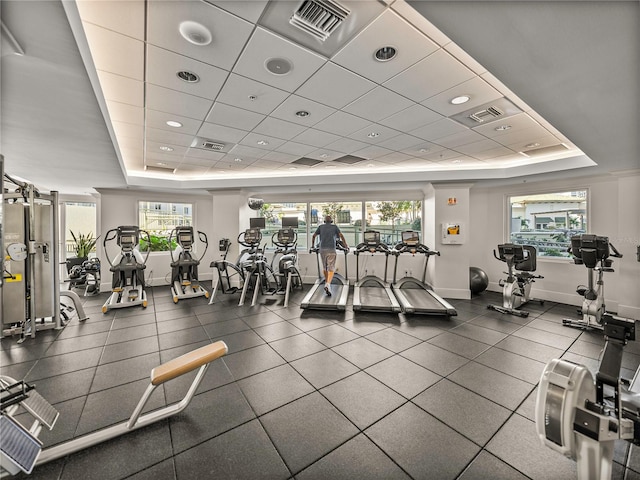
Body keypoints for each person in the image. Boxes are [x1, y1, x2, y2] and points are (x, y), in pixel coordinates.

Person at [312, 215, 348, 296]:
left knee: (325, 267)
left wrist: (312, 246)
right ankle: (328, 284)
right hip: (331, 249)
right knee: (331, 267)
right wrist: (345, 245)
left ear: (324, 221)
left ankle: (326, 282)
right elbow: (341, 236)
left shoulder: (320, 227)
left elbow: (314, 236)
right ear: (331, 221)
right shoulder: (335, 227)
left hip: (322, 249)